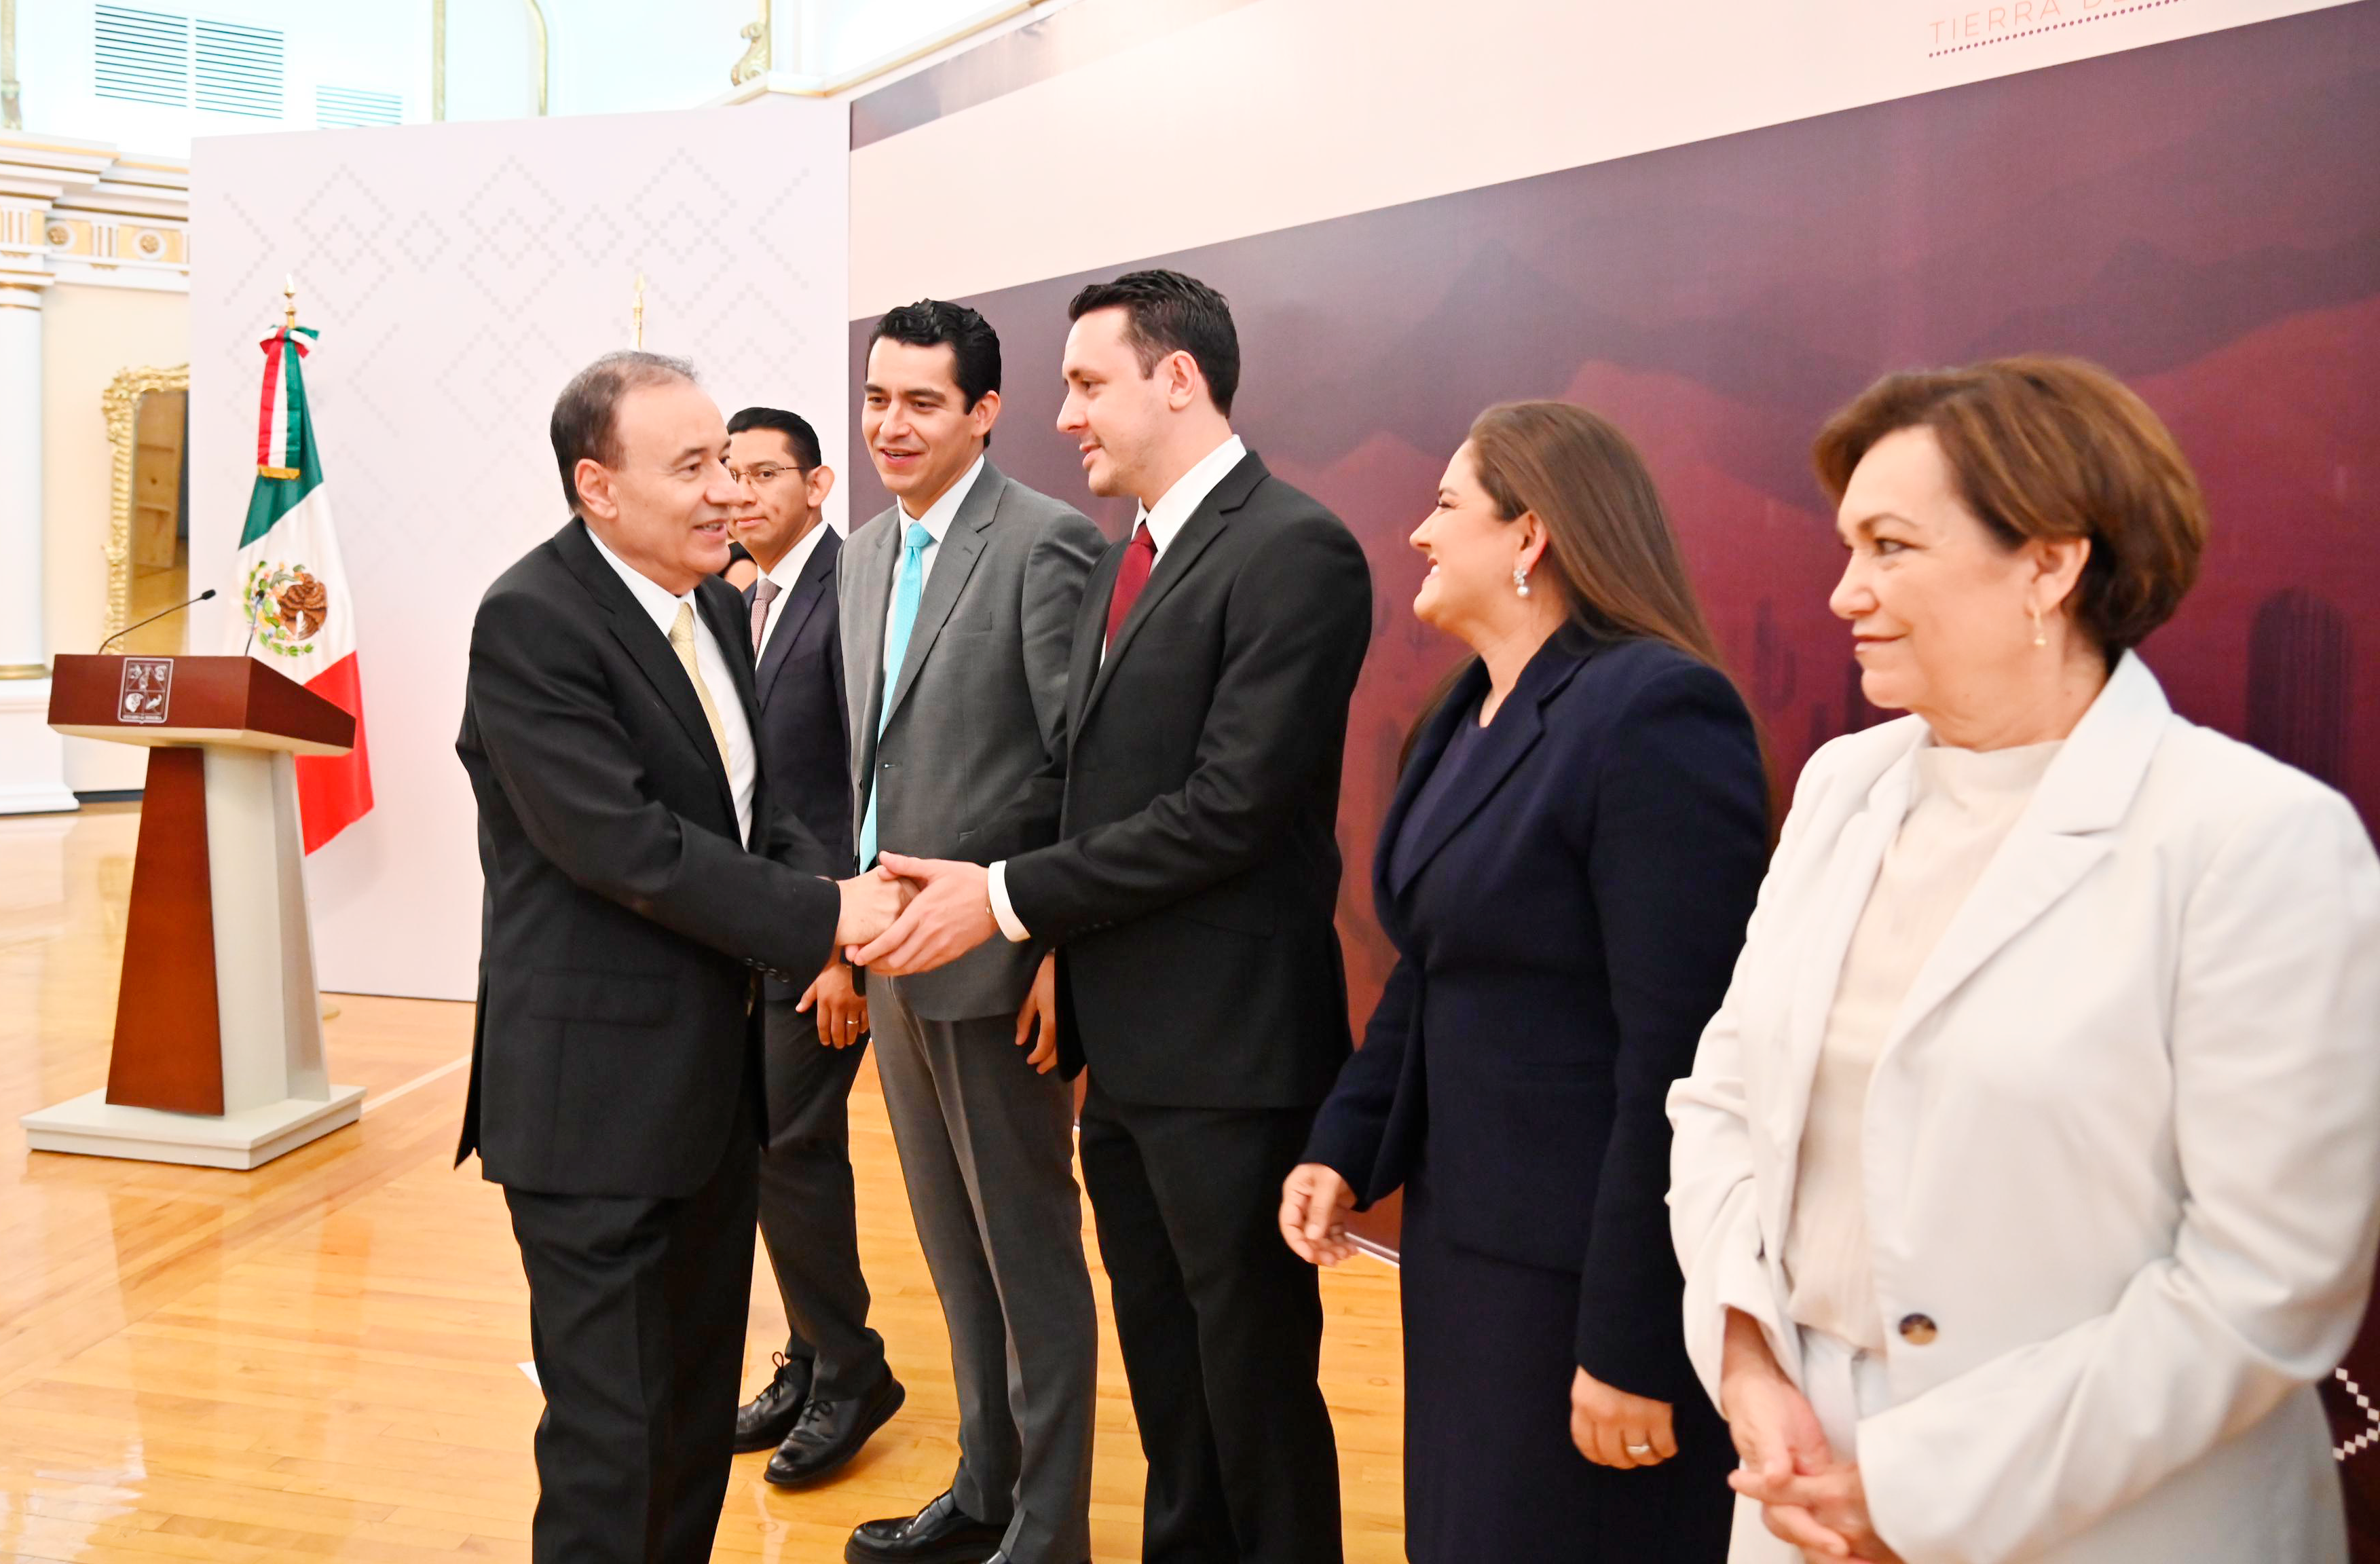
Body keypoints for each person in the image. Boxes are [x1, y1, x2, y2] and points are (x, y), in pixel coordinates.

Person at [1667, 356, 2380, 1564]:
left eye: (1891, 547)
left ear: (2049, 565)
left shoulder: (2254, 839)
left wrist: (1921, 1488)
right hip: (1803, 1488)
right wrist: (1746, 1357)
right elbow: (1725, 1100)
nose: (1844, 592)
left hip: (2115, 1518)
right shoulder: (1845, 788)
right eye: (1848, 547)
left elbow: (2268, 1281)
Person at [856, 269, 1373, 1564]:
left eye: (1089, 383)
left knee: (1255, 1394)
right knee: (1172, 1390)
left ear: (1177, 379)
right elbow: (1082, 783)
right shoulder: (1130, 552)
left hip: (1232, 1056)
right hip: (1129, 1056)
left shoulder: (1293, 550)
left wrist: (1004, 899)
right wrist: (995, 912)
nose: (1066, 415)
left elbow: (1229, 810)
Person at [1277, 401, 1767, 1564]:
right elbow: (1436, 964)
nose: (1419, 533)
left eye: (1448, 504)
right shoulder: (1462, 713)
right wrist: (1344, 1145)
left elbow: (1683, 1057)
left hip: (1584, 1277)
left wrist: (1633, 1340)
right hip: (1464, 1254)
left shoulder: (1654, 713)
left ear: (1530, 535)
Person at [454, 352, 906, 1564]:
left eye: (731, 464)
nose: (727, 491)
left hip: (710, 1102)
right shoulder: (532, 621)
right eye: (695, 466)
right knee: (614, 1451)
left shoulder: (709, 605)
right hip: (594, 1113)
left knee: (692, 1431)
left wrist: (840, 898)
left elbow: (759, 812)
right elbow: (627, 848)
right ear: (597, 488)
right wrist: (828, 915)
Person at [836, 303, 1106, 1564]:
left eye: (922, 403)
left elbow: (1078, 771)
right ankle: (988, 1491)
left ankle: (1049, 1533)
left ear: (985, 412)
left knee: (1028, 1259)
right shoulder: (860, 556)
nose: (891, 425)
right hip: (891, 959)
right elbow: (867, 766)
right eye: (877, 398)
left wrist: (1054, 944)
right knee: (953, 1252)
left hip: (997, 961)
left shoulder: (1048, 545)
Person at [718, 406, 907, 1486]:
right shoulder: (737, 598)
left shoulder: (852, 592)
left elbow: (863, 785)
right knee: (779, 1150)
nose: (740, 494)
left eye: (763, 475)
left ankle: (851, 1370)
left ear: (819, 484)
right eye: (729, 474)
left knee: (785, 1147)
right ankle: (807, 1358)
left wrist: (845, 954)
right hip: (755, 926)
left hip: (827, 935)